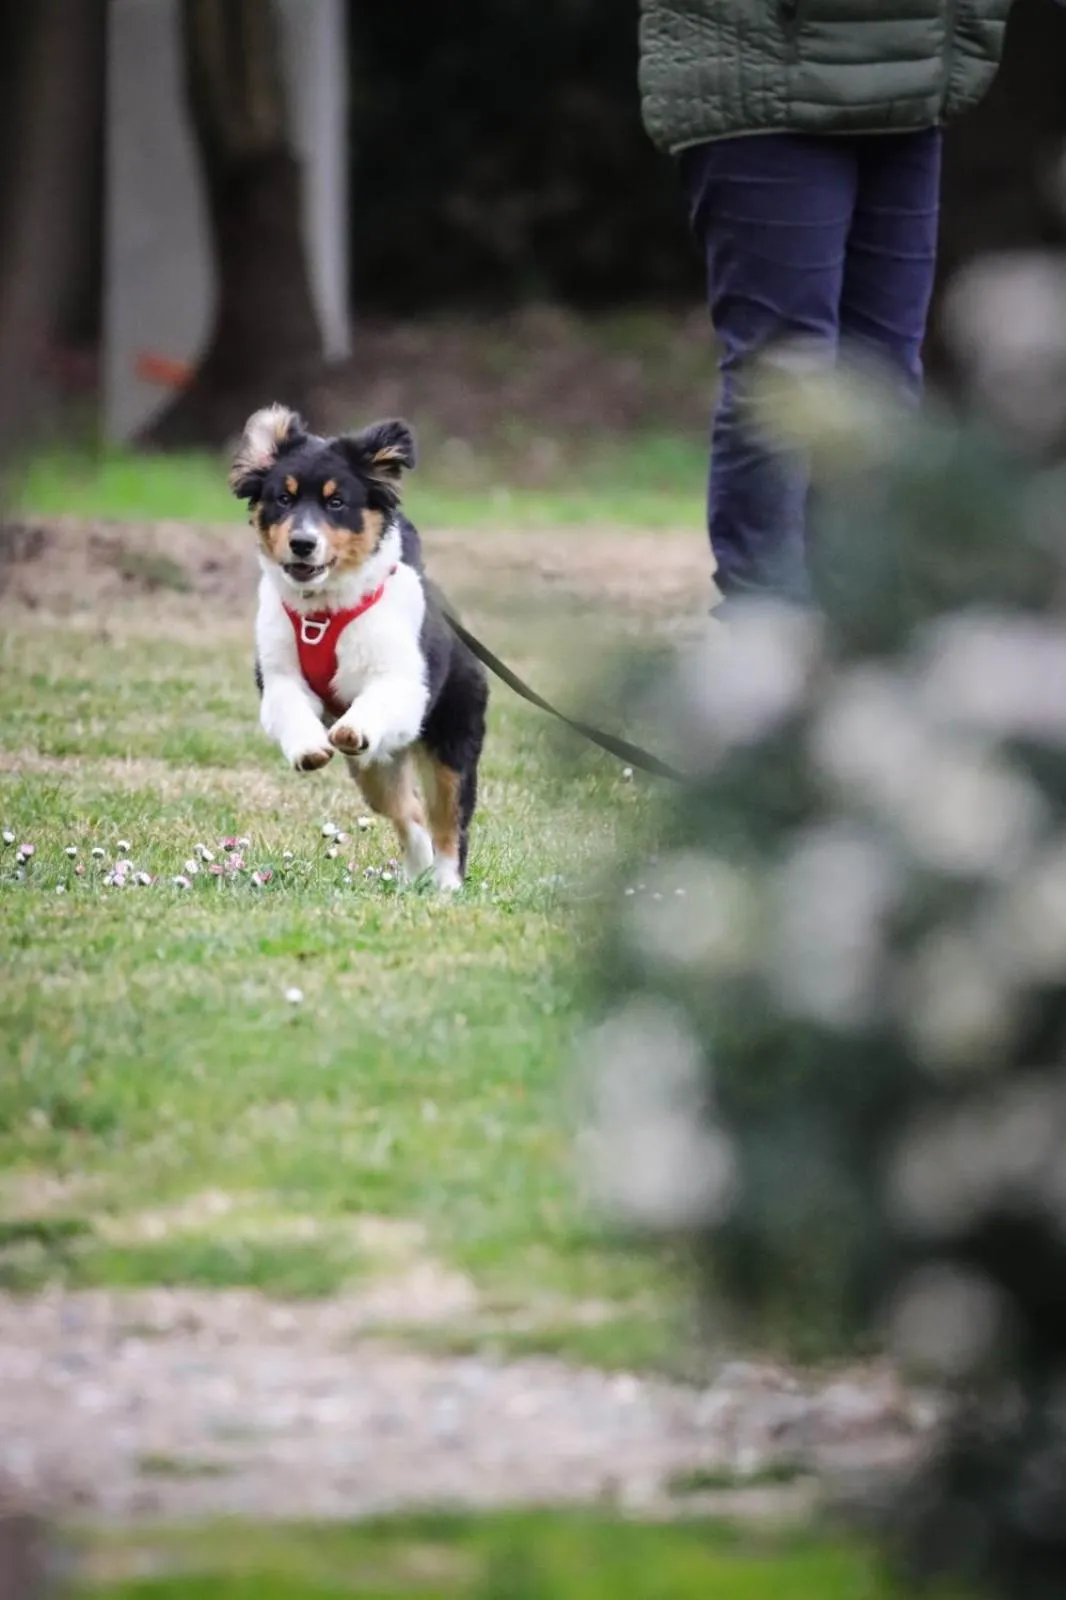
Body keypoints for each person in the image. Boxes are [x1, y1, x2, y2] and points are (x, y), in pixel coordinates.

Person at [638, 0, 1014, 609]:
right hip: (764, 75)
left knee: (884, 373)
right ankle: (768, 624)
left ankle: (865, 621)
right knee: (790, 367)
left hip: (908, 80)